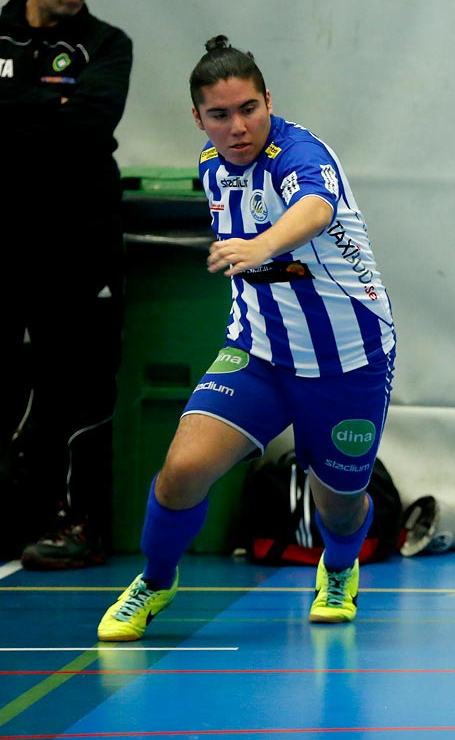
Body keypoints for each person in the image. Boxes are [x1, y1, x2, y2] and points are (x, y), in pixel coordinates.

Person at [97, 36, 397, 642]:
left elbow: (312, 208)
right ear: (198, 118)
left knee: (338, 501)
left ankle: (339, 569)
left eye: (249, 109)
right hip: (257, 353)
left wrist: (262, 245)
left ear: (268, 101)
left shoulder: (302, 153)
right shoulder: (212, 167)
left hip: (349, 360)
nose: (237, 126)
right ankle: (155, 582)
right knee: (182, 468)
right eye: (220, 115)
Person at [0, 0, 133, 569]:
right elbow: (54, 121)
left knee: (78, 383)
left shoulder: (108, 45)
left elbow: (86, 126)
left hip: (80, 246)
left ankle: (79, 523)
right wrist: (45, 107)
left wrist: (17, 108)